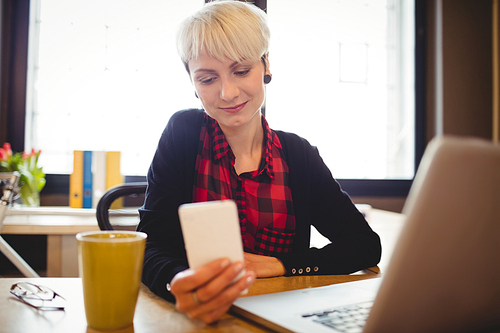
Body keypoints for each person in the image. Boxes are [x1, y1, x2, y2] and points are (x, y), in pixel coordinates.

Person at [137, 0, 381, 324]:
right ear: (192, 82)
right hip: (198, 319)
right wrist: (176, 281)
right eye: (208, 79)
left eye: (241, 71)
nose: (227, 92)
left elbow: (364, 246)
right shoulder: (182, 134)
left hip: (278, 319)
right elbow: (150, 246)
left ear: (266, 65)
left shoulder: (298, 155)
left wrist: (281, 265)